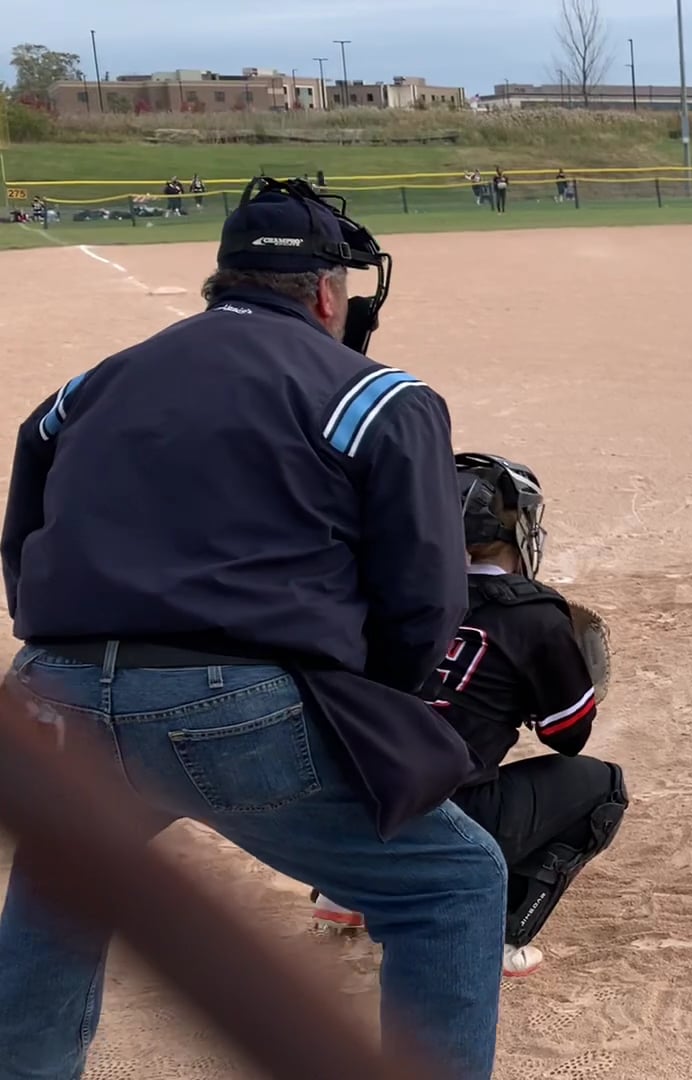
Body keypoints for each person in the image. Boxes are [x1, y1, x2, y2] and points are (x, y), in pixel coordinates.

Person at [0, 176, 507, 1080]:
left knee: (66, 872)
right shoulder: (378, 397)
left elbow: (22, 543)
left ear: (223, 277)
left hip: (52, 695)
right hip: (229, 709)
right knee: (452, 883)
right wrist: (366, 708)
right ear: (327, 295)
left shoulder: (87, 388)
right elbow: (426, 600)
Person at [313, 453, 627, 979]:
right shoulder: (530, 614)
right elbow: (567, 736)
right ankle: (496, 936)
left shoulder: (384, 591)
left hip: (332, 810)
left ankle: (341, 891)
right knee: (602, 787)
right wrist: (571, 684)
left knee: (376, 751)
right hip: (439, 816)